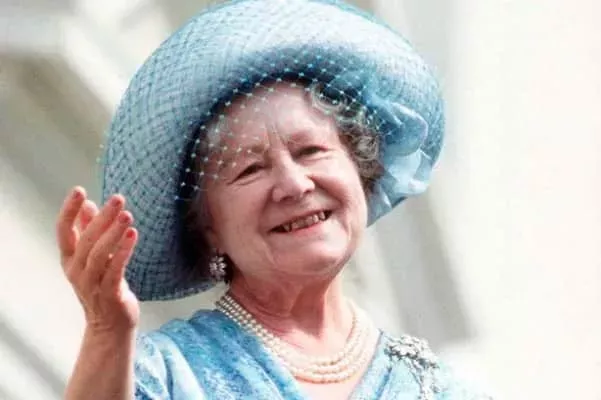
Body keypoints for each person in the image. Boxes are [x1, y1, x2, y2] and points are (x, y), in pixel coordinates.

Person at [56, 0, 490, 399]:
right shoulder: (163, 373)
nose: (295, 185)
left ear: (360, 168)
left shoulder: (439, 390)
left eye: (311, 151)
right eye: (250, 170)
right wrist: (107, 332)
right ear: (207, 226)